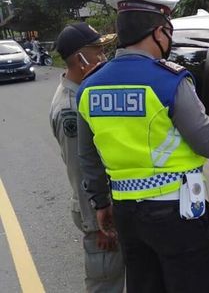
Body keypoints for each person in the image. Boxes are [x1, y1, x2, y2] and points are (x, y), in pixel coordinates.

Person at [76, 0, 209, 293]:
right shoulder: (169, 81)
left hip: (126, 213)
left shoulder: (89, 86)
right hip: (177, 215)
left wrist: (101, 204)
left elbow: (88, 158)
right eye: (168, 33)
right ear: (158, 32)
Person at [49, 22, 125, 293]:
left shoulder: (84, 95)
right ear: (81, 59)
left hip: (100, 205)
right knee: (105, 283)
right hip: (95, 211)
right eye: (99, 52)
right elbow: (80, 169)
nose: (104, 58)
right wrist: (97, 224)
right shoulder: (70, 109)